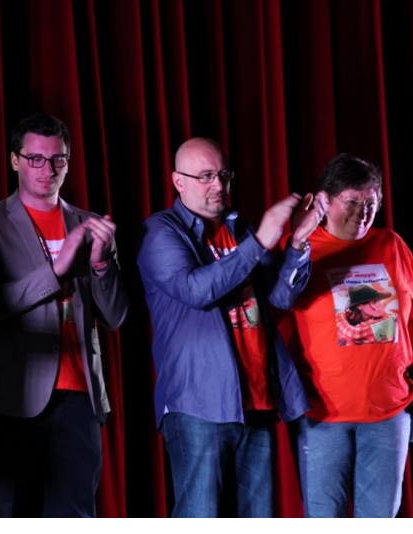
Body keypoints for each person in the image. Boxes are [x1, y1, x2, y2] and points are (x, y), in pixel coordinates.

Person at [137, 137, 327, 517]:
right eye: (206, 176)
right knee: (200, 516)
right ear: (178, 181)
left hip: (256, 401)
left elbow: (280, 298)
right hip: (198, 404)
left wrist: (298, 243)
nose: (219, 186)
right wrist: (259, 242)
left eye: (224, 175)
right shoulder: (161, 231)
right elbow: (196, 290)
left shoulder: (239, 230)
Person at [0, 112, 128, 517]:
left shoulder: (89, 224)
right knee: (2, 512)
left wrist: (102, 265)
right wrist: (56, 270)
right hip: (10, 395)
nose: (47, 169)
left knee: (74, 513)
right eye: (35, 158)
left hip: (79, 395)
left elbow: (116, 316)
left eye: (58, 159)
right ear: (15, 160)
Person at [285, 153, 413, 517]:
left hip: (389, 411)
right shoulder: (301, 251)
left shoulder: (392, 245)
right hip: (323, 414)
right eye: (352, 202)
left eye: (370, 203)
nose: (362, 212)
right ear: (325, 201)